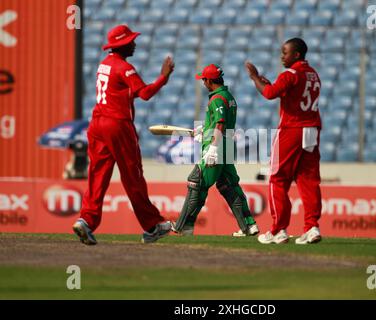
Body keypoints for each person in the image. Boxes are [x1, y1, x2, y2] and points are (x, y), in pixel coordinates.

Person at [72, 25, 175, 245]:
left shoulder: (104, 65)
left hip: (97, 124)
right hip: (117, 125)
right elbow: (145, 94)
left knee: (97, 175)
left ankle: (86, 221)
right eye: (131, 41)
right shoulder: (124, 68)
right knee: (132, 175)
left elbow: (121, 93)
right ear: (123, 44)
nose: (135, 43)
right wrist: (163, 78)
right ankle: (152, 226)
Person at [246, 38, 322, 245]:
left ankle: (279, 230)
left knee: (277, 179)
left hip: (291, 129)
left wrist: (255, 78)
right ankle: (312, 227)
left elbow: (270, 94)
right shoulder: (313, 74)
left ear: (296, 54)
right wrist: (269, 83)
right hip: (312, 129)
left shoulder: (290, 74)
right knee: (308, 180)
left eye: (285, 52)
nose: (282, 56)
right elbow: (291, 95)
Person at [172, 64, 259, 237]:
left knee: (196, 182)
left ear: (210, 81)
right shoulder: (228, 96)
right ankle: (249, 226)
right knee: (230, 186)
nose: (203, 83)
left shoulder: (217, 98)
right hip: (226, 144)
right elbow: (218, 122)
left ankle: (183, 227)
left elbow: (220, 122)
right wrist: (204, 130)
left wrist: (212, 148)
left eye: (204, 79)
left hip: (217, 146)